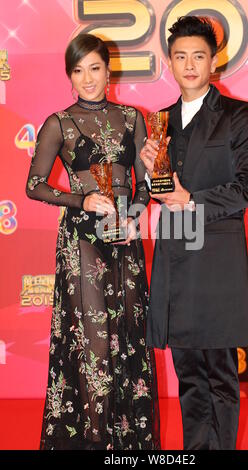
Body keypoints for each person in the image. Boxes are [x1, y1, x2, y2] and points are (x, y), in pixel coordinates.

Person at [26, 33, 160, 450]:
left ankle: (130, 447)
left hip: (126, 241)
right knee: (94, 342)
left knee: (130, 337)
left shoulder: (133, 118)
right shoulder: (59, 123)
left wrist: (136, 214)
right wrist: (80, 199)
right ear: (69, 76)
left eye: (95, 68)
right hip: (81, 242)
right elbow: (34, 185)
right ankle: (93, 442)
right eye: (78, 70)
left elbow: (145, 182)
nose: (87, 78)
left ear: (108, 70)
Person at [140, 16, 248, 450]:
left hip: (216, 264)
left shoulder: (236, 115)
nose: (190, 65)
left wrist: (192, 200)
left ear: (214, 61)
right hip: (176, 260)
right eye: (181, 57)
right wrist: (147, 175)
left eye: (198, 56)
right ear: (169, 63)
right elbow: (156, 192)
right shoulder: (158, 122)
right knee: (189, 376)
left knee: (219, 376)